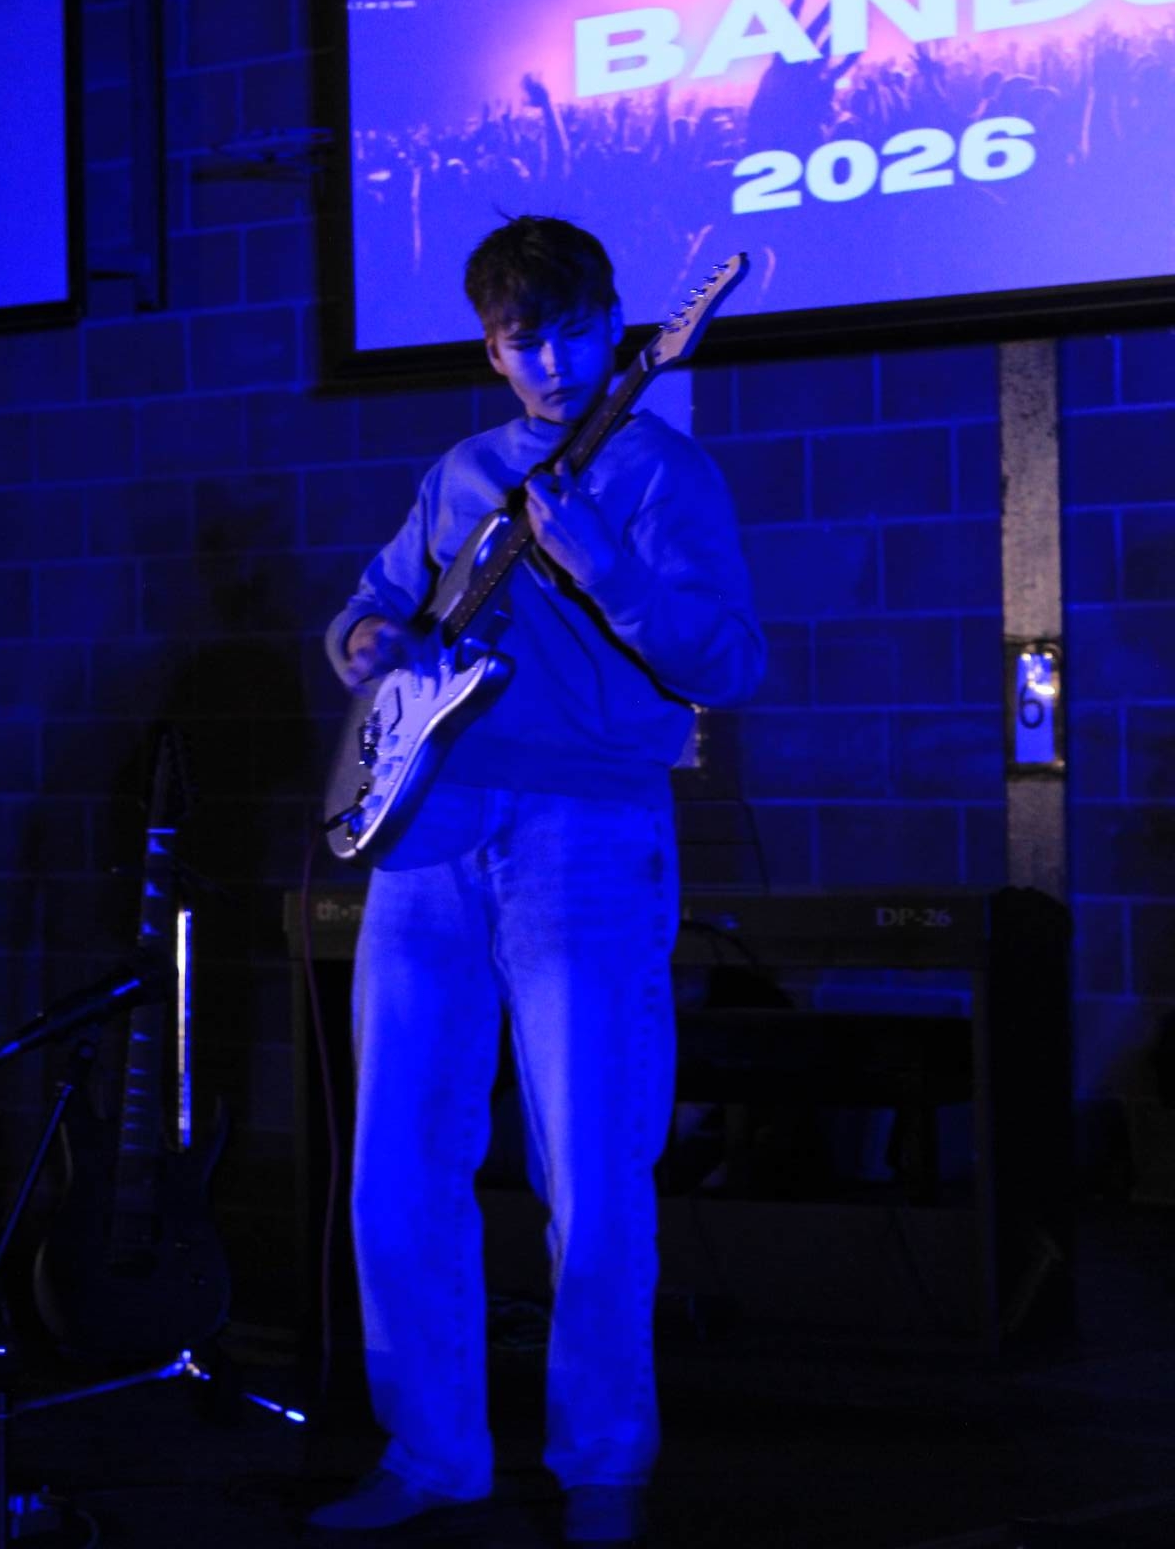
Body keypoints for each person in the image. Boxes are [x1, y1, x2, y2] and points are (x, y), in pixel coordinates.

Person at [309, 216, 764, 1545]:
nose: (555, 364)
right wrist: (365, 638)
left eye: (574, 333)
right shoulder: (462, 472)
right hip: (428, 834)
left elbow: (730, 663)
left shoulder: (664, 472)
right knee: (398, 1163)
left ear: (619, 324)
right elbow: (373, 604)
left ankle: (605, 1467)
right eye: (526, 342)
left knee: (596, 1166)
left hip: (590, 834)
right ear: (492, 351)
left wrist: (607, 569)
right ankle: (430, 1453)